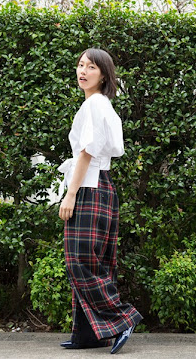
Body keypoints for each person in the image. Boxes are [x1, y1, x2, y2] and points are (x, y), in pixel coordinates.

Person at [57, 48, 142, 354]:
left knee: (79, 260)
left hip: (89, 187)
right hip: (102, 187)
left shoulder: (94, 104)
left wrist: (70, 194)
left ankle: (122, 319)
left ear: (104, 75)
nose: (83, 71)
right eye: (80, 65)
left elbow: (87, 152)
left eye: (91, 67)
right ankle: (89, 334)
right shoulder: (103, 104)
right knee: (97, 262)